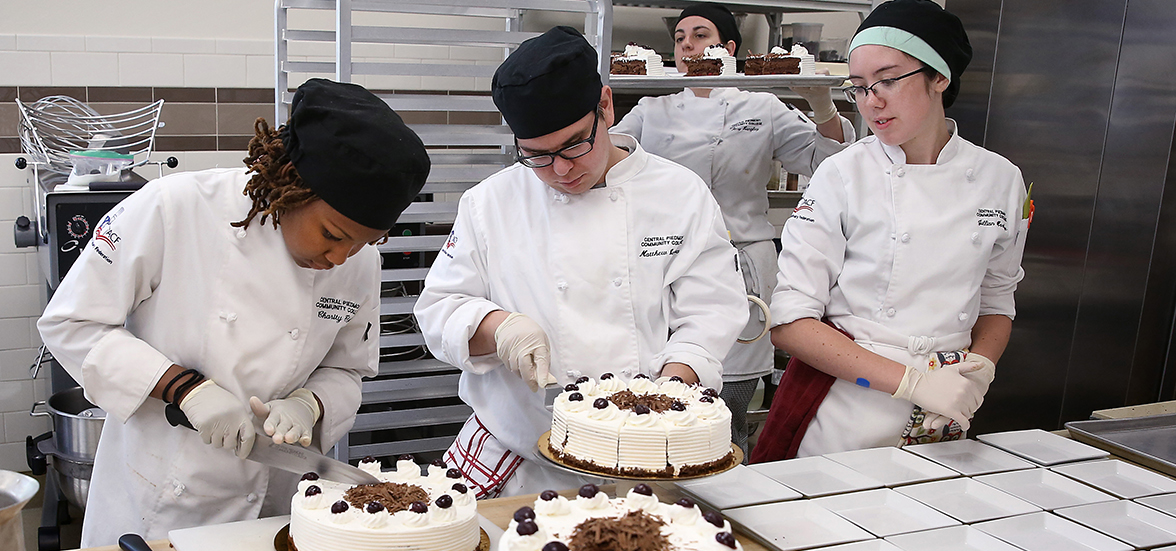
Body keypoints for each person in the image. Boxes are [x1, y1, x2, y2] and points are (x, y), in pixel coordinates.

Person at [38, 78, 430, 546]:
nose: (341, 258)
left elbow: (347, 369)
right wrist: (184, 389)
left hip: (273, 508)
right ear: (294, 186)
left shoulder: (359, 260)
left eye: (363, 242)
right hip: (155, 508)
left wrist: (309, 405)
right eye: (331, 234)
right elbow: (71, 324)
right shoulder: (174, 208)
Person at [415, 26, 747, 498]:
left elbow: (712, 312)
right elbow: (438, 309)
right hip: (523, 463)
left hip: (647, 460)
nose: (561, 170)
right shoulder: (489, 203)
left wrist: (668, 395)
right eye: (537, 157)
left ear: (606, 107)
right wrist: (499, 326)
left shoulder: (679, 194)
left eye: (574, 145)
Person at [750, 0, 1029, 461]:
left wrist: (978, 371)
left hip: (942, 408)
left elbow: (997, 300)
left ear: (939, 77)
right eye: (859, 87)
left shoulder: (1001, 179)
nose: (871, 101)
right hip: (844, 407)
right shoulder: (842, 175)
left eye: (888, 80)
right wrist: (912, 382)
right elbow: (790, 323)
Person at [610, 2, 855, 454]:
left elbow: (830, 166)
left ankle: (730, 501)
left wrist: (822, 104)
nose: (687, 45)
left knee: (728, 411)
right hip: (664, 262)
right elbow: (607, 160)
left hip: (744, 262)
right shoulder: (651, 109)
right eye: (680, 38)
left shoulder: (762, 105)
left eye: (700, 36)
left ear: (727, 48)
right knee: (662, 397)